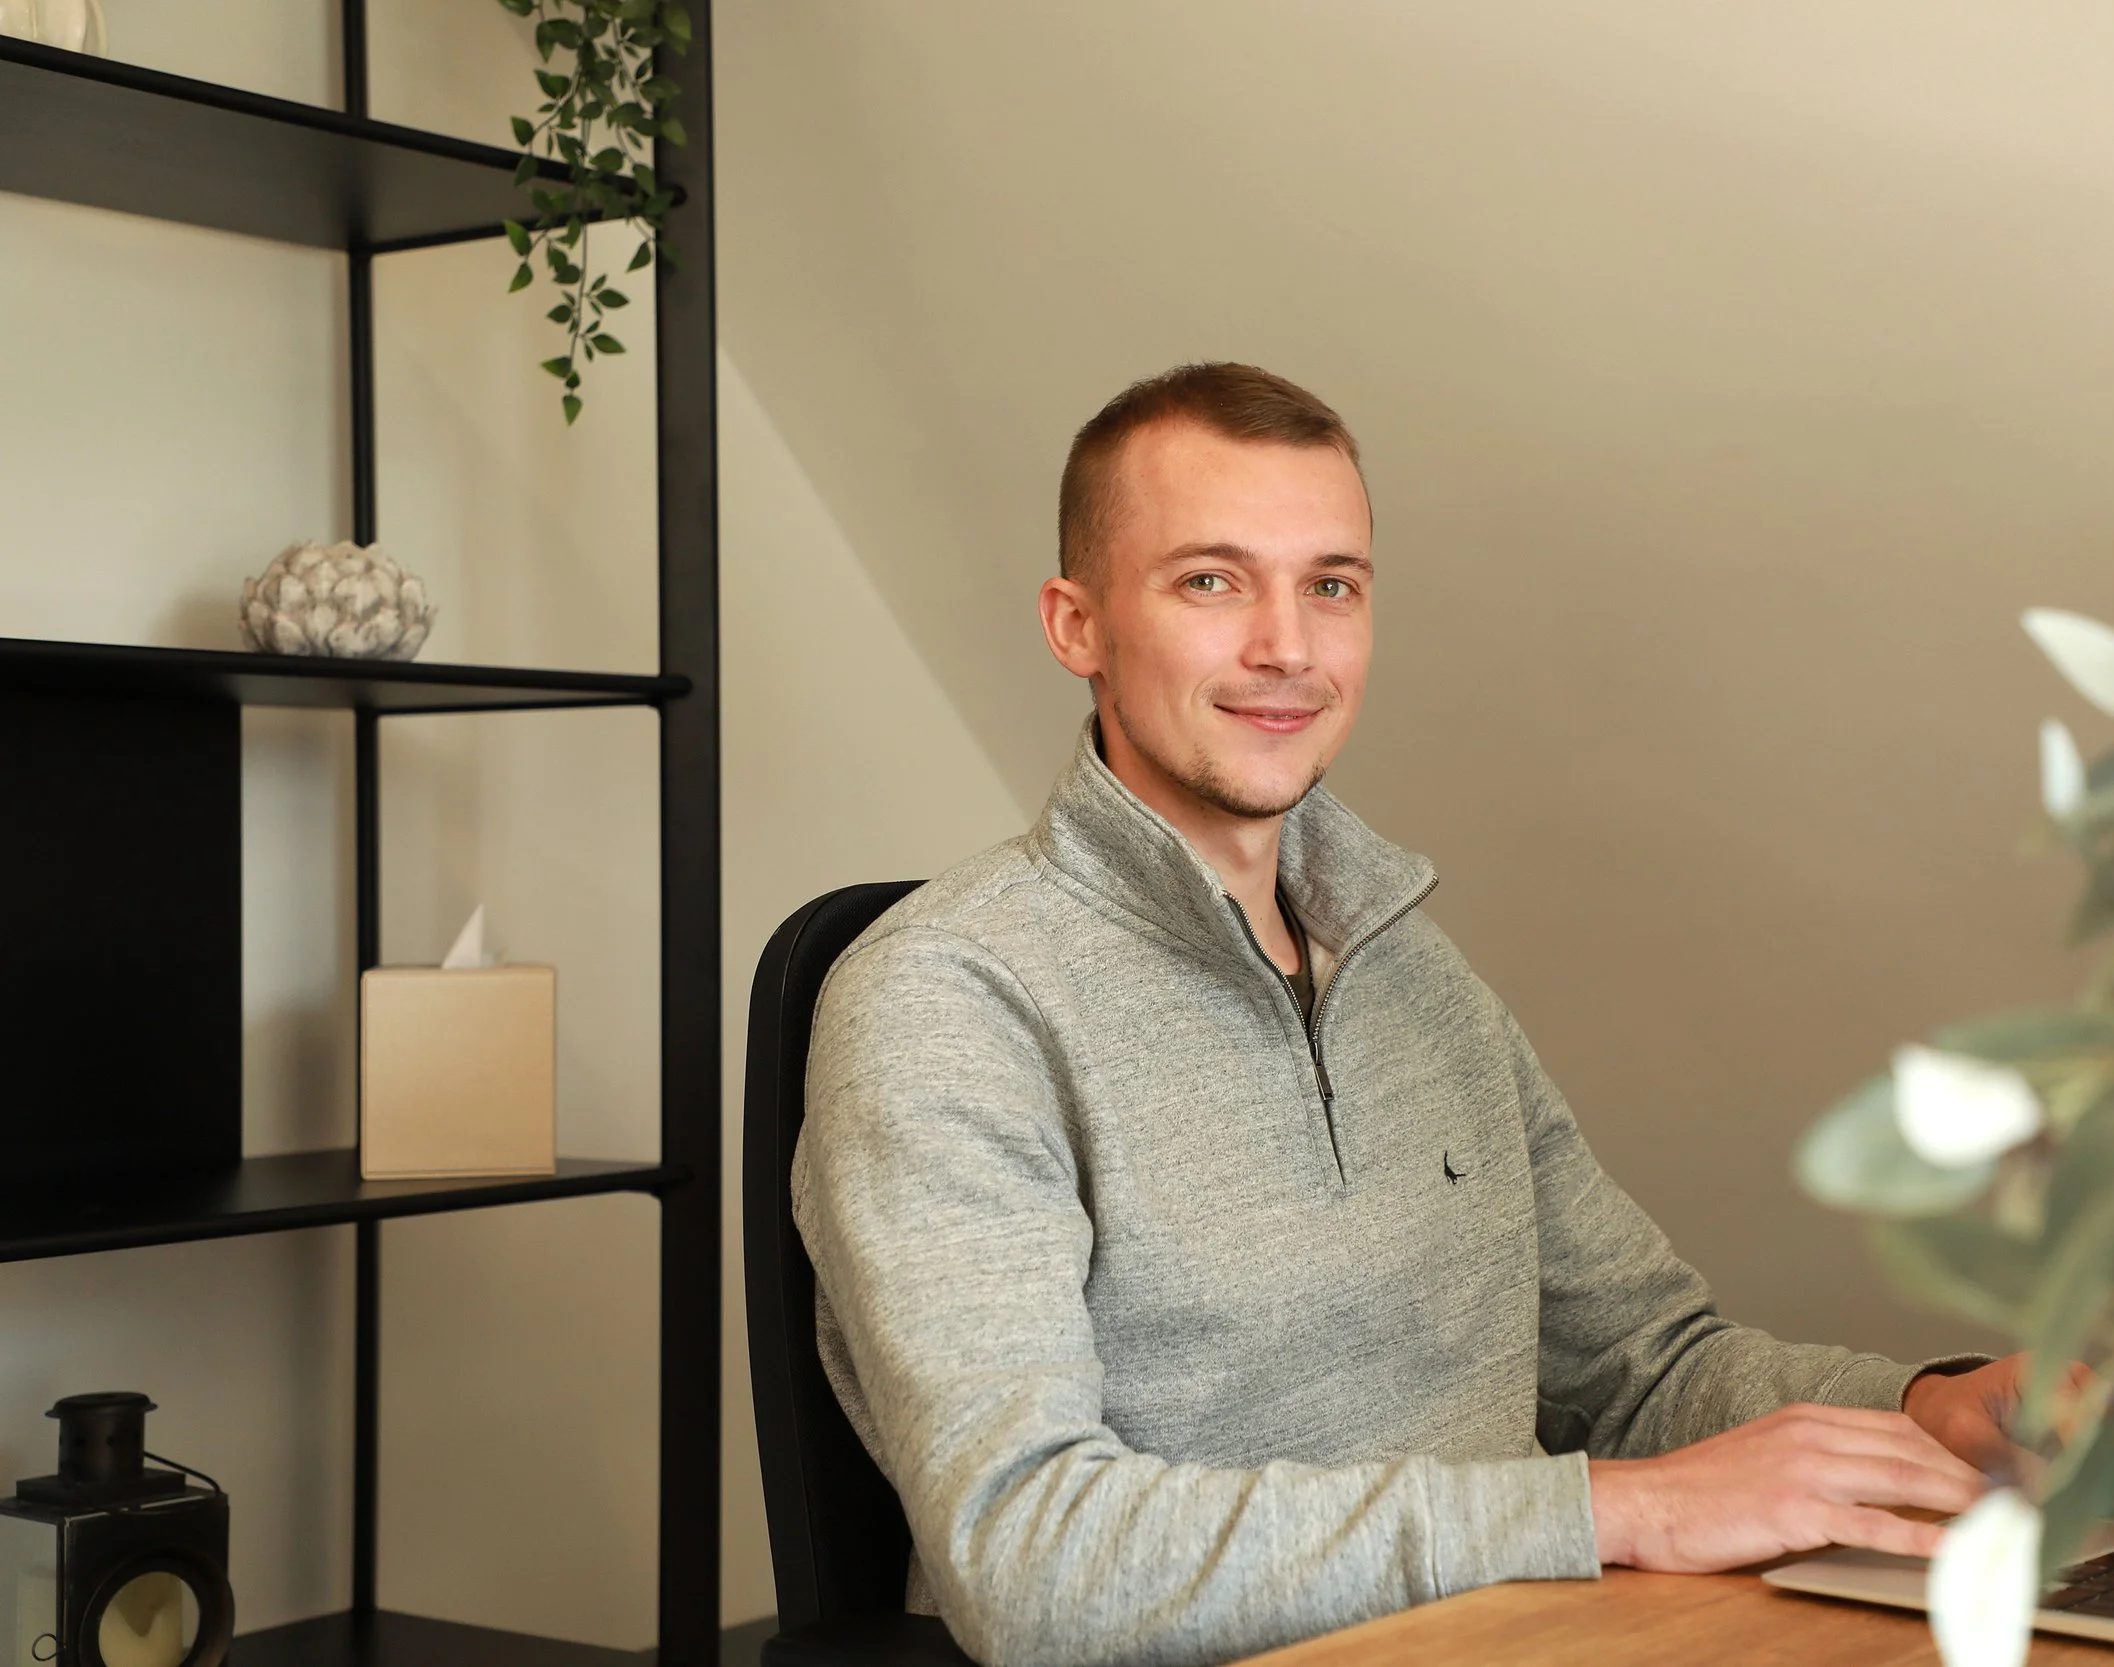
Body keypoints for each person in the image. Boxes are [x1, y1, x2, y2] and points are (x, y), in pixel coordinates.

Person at [792, 363, 2026, 1667]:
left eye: (1331, 583)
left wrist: (1932, 1415)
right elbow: (1034, 1557)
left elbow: (1649, 1371)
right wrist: (1610, 1509)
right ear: (1076, 625)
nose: (1289, 645)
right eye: (1212, 579)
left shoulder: (1415, 974)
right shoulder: (942, 1000)